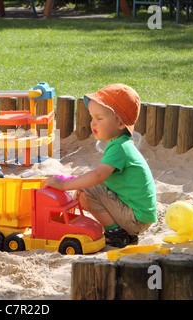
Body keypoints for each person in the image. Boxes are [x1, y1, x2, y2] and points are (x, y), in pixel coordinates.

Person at [43, 83, 157, 248]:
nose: (92, 123)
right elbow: (104, 178)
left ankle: (116, 234)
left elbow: (98, 176)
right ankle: (124, 234)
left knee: (88, 189)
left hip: (135, 218)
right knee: (86, 187)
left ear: (120, 123)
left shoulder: (118, 147)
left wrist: (64, 185)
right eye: (92, 118)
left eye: (99, 118)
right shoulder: (121, 144)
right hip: (137, 215)